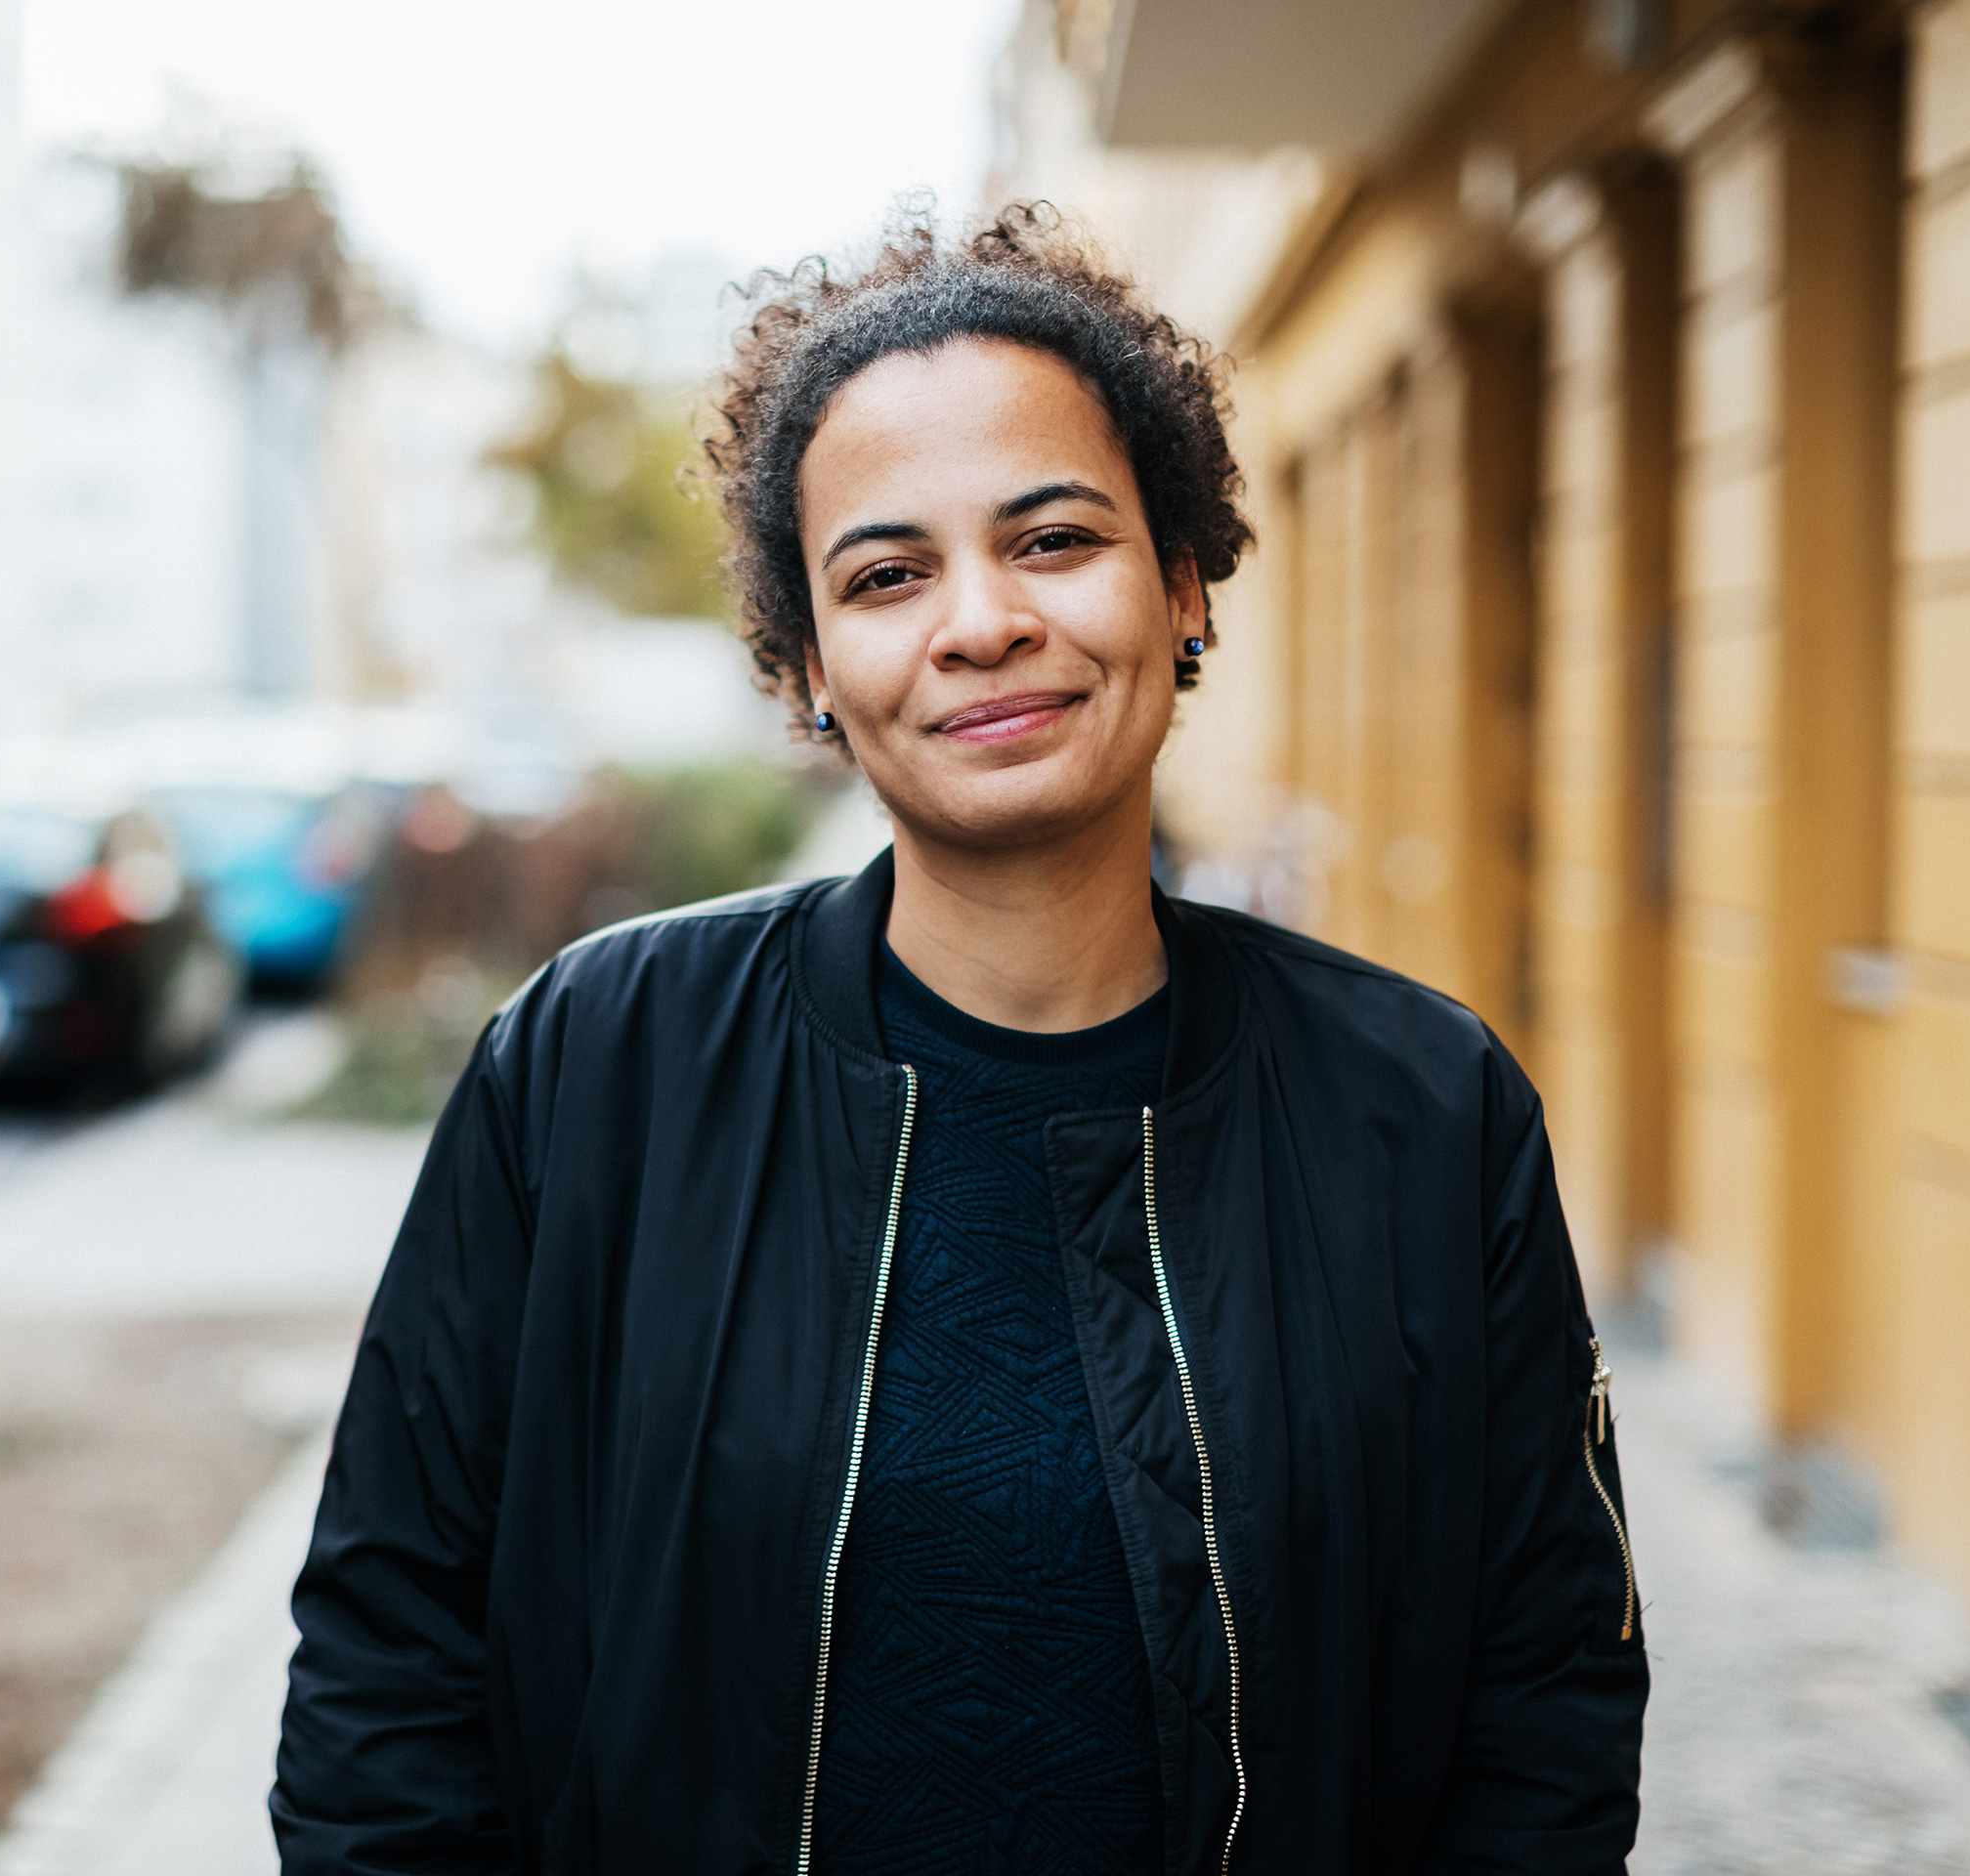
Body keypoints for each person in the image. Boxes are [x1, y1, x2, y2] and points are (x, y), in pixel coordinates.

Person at [272, 205, 1648, 1874]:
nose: (980, 621)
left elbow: (1547, 1702)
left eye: (1055, 538)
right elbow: (387, 1666)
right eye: (889, 574)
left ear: (1185, 583)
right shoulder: (593, 1072)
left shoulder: (1423, 1113)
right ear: (810, 674)